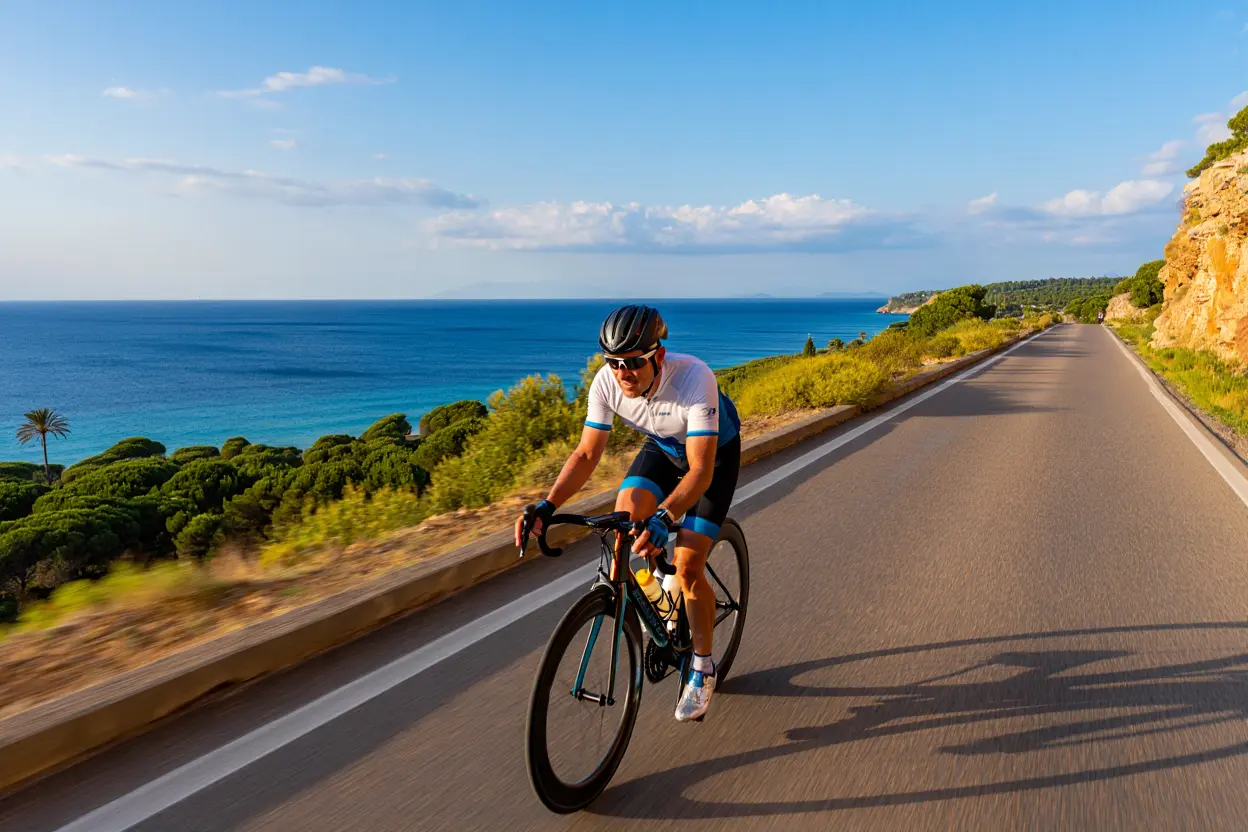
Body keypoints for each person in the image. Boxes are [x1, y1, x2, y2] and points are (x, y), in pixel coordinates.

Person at [514, 304, 741, 722]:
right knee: (625, 516)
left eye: (633, 362)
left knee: (689, 568)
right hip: (662, 447)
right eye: (613, 362)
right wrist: (548, 505)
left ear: (657, 356)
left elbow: (700, 470)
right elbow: (586, 453)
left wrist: (667, 517)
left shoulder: (694, 377)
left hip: (712, 459)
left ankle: (703, 666)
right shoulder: (606, 383)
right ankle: (654, 588)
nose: (623, 373)